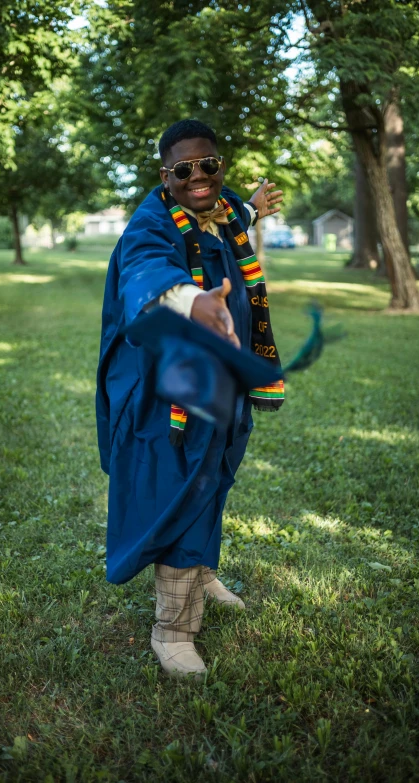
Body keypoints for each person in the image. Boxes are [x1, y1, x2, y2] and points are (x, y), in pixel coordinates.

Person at [96, 119, 283, 679]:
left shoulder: (221, 207)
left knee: (216, 473)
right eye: (184, 170)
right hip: (169, 386)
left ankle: (199, 570)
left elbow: (233, 213)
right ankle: (173, 628)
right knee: (183, 482)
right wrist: (192, 301)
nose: (199, 177)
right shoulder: (150, 223)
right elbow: (146, 272)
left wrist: (251, 205)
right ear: (165, 175)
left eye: (209, 165)